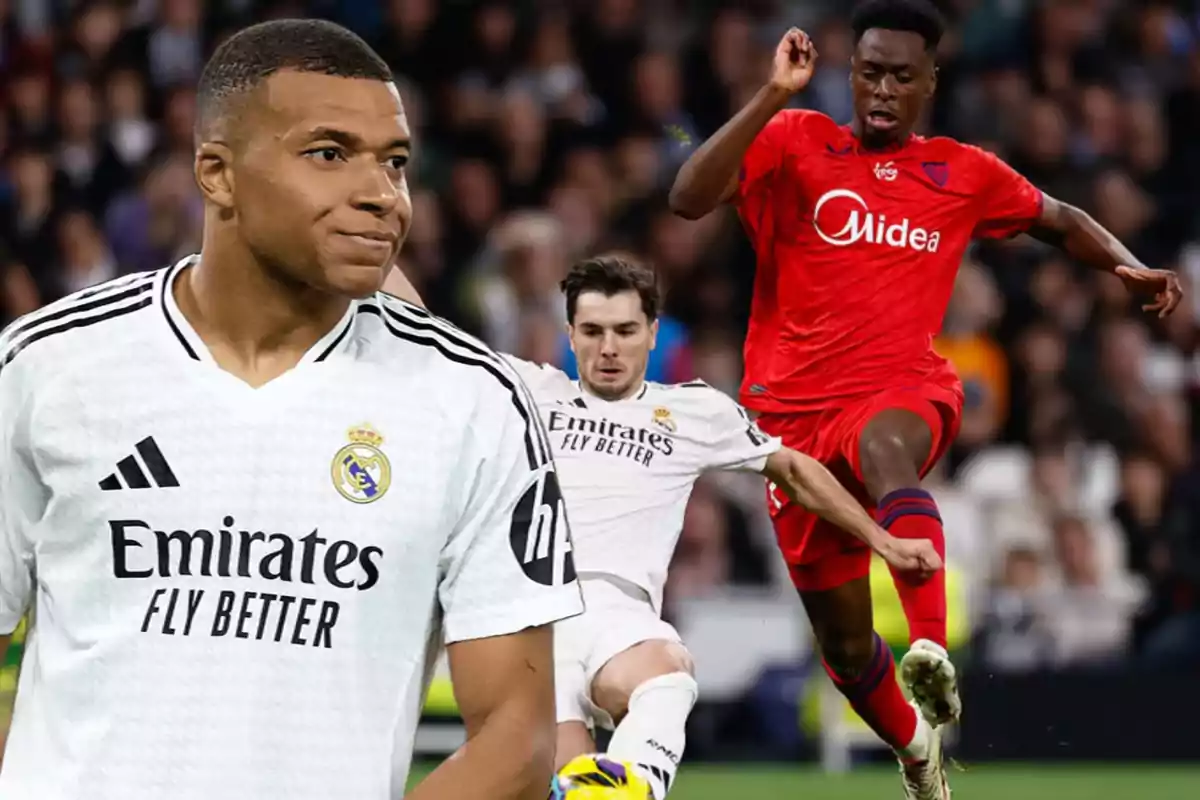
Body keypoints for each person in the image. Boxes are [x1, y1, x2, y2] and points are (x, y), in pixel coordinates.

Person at [0, 20, 583, 800]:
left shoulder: (474, 401)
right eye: (329, 154)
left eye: (396, 163)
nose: (382, 196)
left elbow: (517, 737)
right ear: (217, 173)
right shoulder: (48, 368)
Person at [667, 1, 1183, 797]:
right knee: (843, 650)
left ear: (928, 84)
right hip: (789, 422)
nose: (881, 89)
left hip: (900, 387)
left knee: (886, 447)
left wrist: (1127, 264)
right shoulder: (796, 139)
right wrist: (772, 94)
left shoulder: (962, 171)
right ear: (850, 74)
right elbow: (688, 196)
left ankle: (932, 651)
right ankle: (918, 754)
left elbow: (1060, 218)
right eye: (869, 72)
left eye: (900, 76)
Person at [384, 255, 941, 799]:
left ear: (653, 334)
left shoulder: (695, 411)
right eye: (593, 330)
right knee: (561, 780)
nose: (608, 348)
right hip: (531, 612)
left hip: (619, 610)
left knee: (667, 674)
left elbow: (793, 468)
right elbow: (428, 336)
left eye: (625, 330)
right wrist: (377, 249)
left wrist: (882, 539)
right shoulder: (528, 390)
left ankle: (637, 788)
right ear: (569, 334)